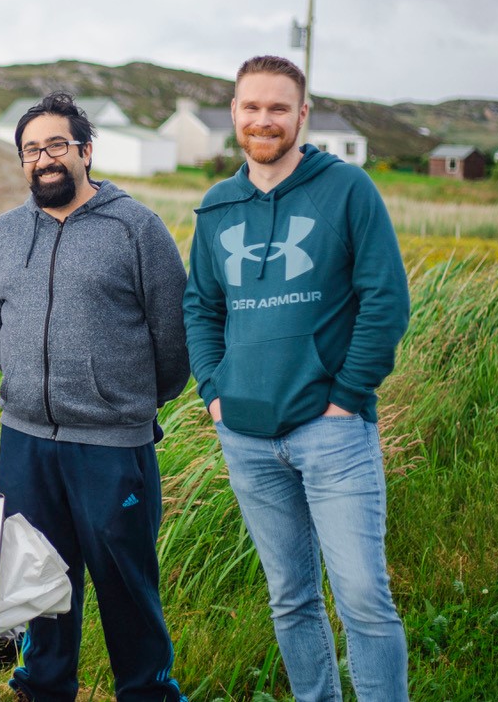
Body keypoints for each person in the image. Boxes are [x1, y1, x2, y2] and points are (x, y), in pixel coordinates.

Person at [183, 55, 411, 702]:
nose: (264, 119)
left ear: (302, 115)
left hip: (331, 433)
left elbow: (385, 298)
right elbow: (200, 303)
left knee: (364, 597)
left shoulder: (346, 190)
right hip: (247, 438)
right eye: (251, 107)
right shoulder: (218, 206)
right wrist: (213, 391)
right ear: (234, 115)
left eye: (278, 107)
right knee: (291, 598)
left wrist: (347, 395)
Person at [0, 91, 189, 702]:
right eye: (31, 150)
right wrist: (29, 384)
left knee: (126, 581)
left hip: (112, 445)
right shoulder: (7, 231)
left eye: (56, 145)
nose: (44, 159)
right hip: (25, 441)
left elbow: (172, 336)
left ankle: (145, 691)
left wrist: (127, 400)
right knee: (38, 576)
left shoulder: (136, 227)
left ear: (86, 150)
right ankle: (43, 686)